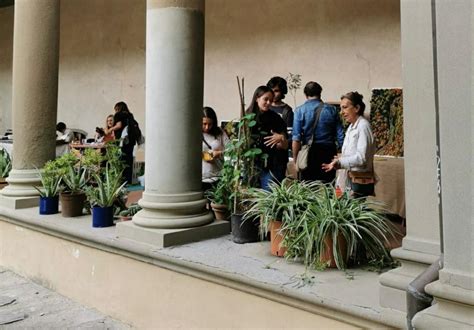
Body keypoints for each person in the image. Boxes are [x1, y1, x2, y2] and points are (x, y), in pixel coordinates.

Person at [322, 91, 376, 197]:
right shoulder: (352, 126)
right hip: (348, 180)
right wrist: (338, 160)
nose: (341, 112)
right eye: (341, 108)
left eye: (345, 107)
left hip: (358, 182)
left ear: (356, 108)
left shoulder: (363, 126)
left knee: (353, 209)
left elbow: (361, 158)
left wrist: (340, 162)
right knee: (340, 205)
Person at [292, 81, 344, 183]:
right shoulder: (332, 110)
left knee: (308, 188)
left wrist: (295, 158)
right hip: (329, 151)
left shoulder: (299, 111)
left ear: (305, 94)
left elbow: (296, 138)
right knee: (328, 186)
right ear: (320, 93)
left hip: (309, 153)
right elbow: (340, 135)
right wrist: (343, 155)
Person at [246, 86, 289, 190]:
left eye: (271, 100)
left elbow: (286, 145)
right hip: (253, 163)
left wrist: (281, 138)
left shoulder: (276, 118)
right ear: (257, 98)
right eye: (266, 99)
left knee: (269, 194)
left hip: (273, 164)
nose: (269, 103)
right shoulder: (247, 117)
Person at [104, 101, 136, 184]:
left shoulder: (118, 115)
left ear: (118, 108)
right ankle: (128, 180)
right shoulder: (130, 115)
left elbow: (119, 125)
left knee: (121, 160)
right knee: (129, 159)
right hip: (131, 140)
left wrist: (110, 129)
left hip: (122, 141)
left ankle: (121, 180)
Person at [202, 107, 229, 191]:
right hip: (200, 177)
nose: (207, 127)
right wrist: (204, 155)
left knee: (216, 203)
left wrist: (219, 153)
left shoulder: (219, 132)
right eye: (204, 124)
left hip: (217, 176)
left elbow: (231, 149)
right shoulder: (194, 133)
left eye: (210, 124)